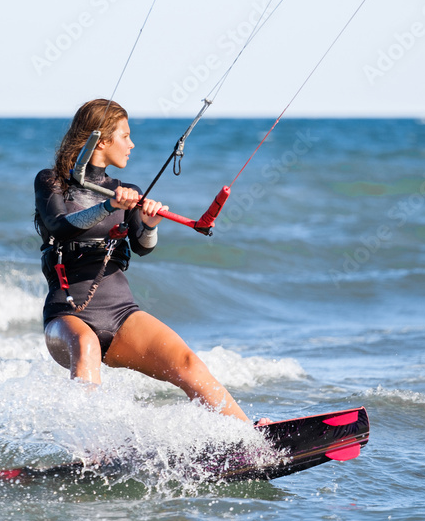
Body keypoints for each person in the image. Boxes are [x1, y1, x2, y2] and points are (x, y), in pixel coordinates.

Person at [34, 98, 259, 424]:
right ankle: (90, 447)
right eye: (125, 136)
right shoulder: (51, 181)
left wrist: (150, 224)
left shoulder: (127, 191)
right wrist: (109, 207)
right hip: (68, 315)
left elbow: (142, 246)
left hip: (120, 311)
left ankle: (249, 437)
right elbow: (59, 225)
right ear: (101, 139)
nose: (132, 144)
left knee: (187, 363)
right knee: (86, 345)